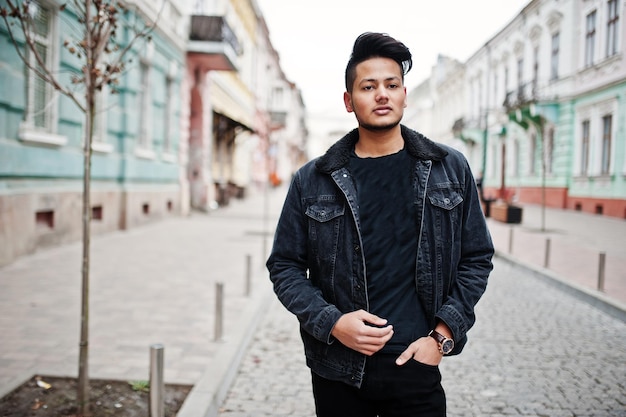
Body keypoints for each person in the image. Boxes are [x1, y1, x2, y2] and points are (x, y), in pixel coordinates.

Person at [266, 32, 494, 417]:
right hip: (338, 370)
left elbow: (477, 257)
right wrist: (333, 323)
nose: (382, 94)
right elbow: (284, 266)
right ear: (349, 101)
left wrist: (441, 338)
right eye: (368, 87)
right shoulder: (313, 179)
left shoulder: (449, 168)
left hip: (415, 367)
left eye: (392, 85)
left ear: (405, 94)